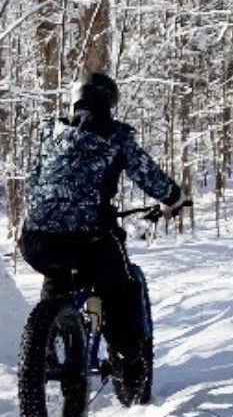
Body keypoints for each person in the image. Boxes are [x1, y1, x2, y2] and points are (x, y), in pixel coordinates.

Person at [19, 72, 184, 393]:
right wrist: (174, 199)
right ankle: (130, 360)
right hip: (90, 238)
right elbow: (149, 176)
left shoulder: (48, 133)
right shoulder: (115, 136)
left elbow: (36, 182)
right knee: (124, 285)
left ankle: (49, 348)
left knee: (57, 277)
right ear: (110, 103)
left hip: (36, 239)